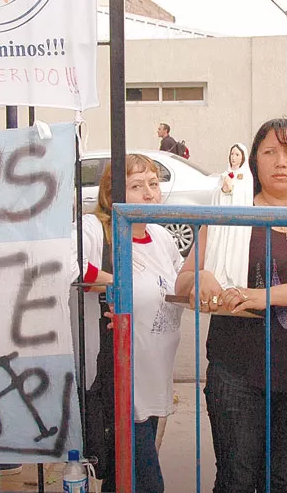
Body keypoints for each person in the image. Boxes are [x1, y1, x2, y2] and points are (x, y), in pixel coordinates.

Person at [175, 118, 287, 493]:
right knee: (235, 480)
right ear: (254, 161)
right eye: (269, 151)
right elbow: (185, 279)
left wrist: (260, 296)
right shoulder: (230, 211)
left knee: (277, 482)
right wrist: (201, 279)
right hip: (237, 371)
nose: (280, 161)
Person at [76, 154, 185, 493]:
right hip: (119, 377)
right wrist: (114, 283)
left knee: (122, 479)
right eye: (137, 186)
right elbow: (72, 265)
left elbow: (181, 281)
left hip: (155, 375)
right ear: (112, 194)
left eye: (153, 184)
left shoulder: (160, 235)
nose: (150, 193)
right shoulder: (97, 229)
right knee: (148, 483)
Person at [204, 143, 254, 288]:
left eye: (237, 154)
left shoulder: (246, 176)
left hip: (236, 224)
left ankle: (233, 280)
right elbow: (216, 195)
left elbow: (244, 197)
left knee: (234, 249)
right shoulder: (224, 174)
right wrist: (223, 189)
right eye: (232, 154)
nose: (234, 157)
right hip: (222, 223)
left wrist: (232, 189)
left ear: (243, 157)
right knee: (219, 247)